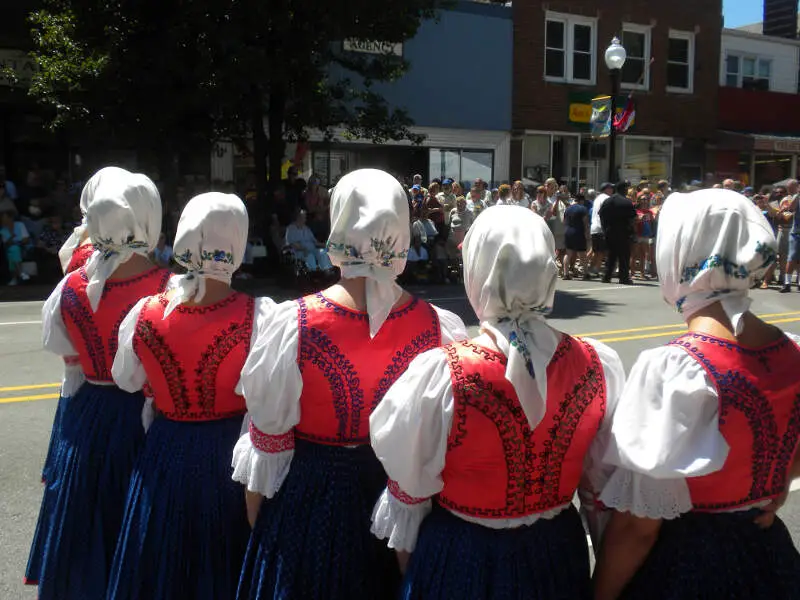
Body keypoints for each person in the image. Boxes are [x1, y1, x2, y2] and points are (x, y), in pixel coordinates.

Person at [232, 169, 467, 600]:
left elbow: (267, 450)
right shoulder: (439, 328)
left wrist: (262, 533)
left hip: (310, 500)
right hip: (402, 505)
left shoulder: (295, 322)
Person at [369, 206, 624, 600]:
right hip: (556, 553)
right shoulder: (597, 366)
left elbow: (410, 498)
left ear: (479, 271)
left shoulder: (443, 373)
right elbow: (602, 492)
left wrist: (417, 577)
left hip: (462, 556)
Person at [593, 189, 800, 600]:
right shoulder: (793, 349)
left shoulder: (676, 367)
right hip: (769, 553)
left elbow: (639, 527)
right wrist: (773, 485)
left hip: (690, 563)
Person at [107, 193, 265, 600]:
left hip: (165, 448)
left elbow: (126, 379)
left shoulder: (145, 311)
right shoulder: (258, 316)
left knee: (162, 556)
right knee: (222, 562)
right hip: (228, 453)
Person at [25, 169, 171, 600]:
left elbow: (60, 346)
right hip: (145, 423)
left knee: (85, 524)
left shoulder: (71, 285)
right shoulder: (169, 291)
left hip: (86, 415)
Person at [600, 181, 636, 285]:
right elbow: (632, 219)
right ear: (624, 189)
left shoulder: (607, 201)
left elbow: (601, 215)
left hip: (609, 232)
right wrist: (633, 232)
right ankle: (623, 277)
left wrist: (604, 229)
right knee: (624, 256)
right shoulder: (627, 202)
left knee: (611, 256)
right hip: (623, 232)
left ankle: (607, 276)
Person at [285, 208, 334, 274]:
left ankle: (327, 270)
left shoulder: (306, 228)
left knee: (322, 252)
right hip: (299, 251)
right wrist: (303, 249)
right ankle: (313, 273)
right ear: (298, 217)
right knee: (309, 256)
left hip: (312, 249)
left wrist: (325, 245)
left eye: (305, 217)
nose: (305, 219)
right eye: (303, 217)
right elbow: (293, 244)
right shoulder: (291, 229)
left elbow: (315, 242)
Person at [563, 193, 591, 280]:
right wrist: (587, 234)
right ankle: (585, 273)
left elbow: (564, 221)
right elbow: (585, 223)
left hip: (568, 232)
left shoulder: (567, 209)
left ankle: (566, 273)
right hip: (578, 232)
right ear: (581, 200)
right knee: (582, 254)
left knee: (568, 253)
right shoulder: (583, 209)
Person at [1, 209, 31, 285]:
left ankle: (15, 277)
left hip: (23, 247)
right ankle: (21, 273)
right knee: (13, 250)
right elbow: (5, 243)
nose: (3, 220)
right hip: (10, 249)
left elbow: (26, 239)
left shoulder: (20, 225)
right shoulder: (2, 230)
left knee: (14, 250)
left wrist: (14, 242)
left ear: (10, 218)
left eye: (5, 217)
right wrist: (12, 238)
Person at [589, 182, 614, 275]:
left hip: (594, 227)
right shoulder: (606, 198)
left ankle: (589, 268)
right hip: (601, 227)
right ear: (606, 189)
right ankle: (595, 269)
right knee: (601, 251)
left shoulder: (597, 198)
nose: (612, 190)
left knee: (596, 251)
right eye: (610, 188)